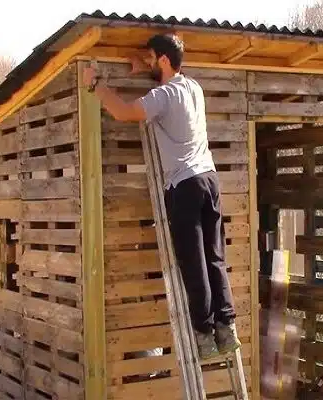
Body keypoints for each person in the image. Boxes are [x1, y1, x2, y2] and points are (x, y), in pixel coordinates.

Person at [81, 33, 240, 359]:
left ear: (165, 60)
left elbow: (124, 112)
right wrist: (143, 67)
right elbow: (164, 88)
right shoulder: (193, 88)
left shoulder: (163, 95)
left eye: (153, 58)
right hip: (210, 180)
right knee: (215, 258)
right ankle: (227, 328)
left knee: (194, 264)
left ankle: (204, 336)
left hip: (184, 186)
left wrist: (95, 84)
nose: (149, 63)